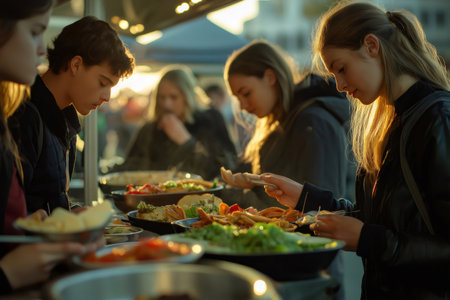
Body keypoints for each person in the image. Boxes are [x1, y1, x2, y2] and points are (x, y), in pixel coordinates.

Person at [261, 2, 450, 299]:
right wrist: (306, 198)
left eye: (340, 68)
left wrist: (367, 240)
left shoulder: (437, 118)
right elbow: (377, 220)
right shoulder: (392, 121)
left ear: (371, 45)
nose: (338, 85)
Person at [0, 1, 103, 294]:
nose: (43, 49)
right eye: (35, 32)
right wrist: (7, 273)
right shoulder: (26, 116)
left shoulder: (9, 118)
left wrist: (39, 226)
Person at [8, 16, 135, 214]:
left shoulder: (67, 120)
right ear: (75, 65)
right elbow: (13, 214)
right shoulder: (24, 115)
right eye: (103, 83)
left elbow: (47, 197)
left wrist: (71, 214)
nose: (107, 97)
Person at [223, 40, 353, 210]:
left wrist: (235, 194)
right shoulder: (282, 121)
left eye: (246, 93)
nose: (242, 106)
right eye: (237, 98)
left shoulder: (314, 121)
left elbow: (320, 209)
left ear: (270, 77)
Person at [113, 65, 237, 180]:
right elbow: (129, 169)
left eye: (174, 97)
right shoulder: (149, 129)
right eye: (162, 97)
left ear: (187, 96)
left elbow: (227, 168)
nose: (166, 104)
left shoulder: (210, 120)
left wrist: (186, 141)